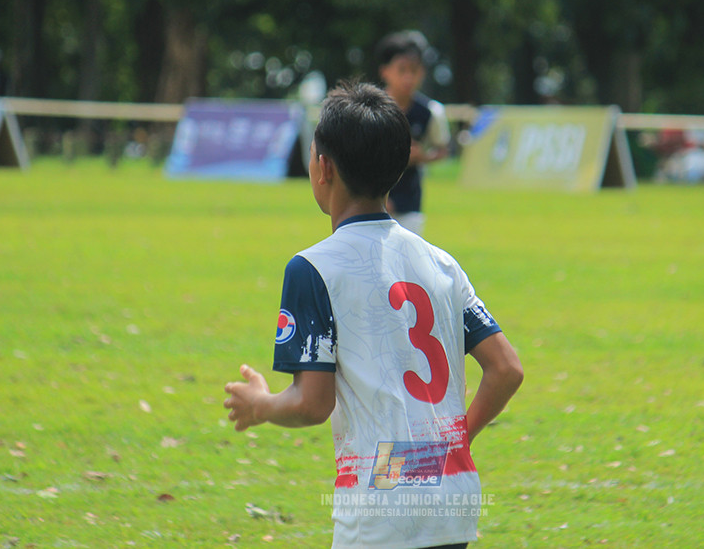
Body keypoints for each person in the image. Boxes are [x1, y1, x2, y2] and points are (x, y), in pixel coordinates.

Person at [223, 81, 523, 549]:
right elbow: (506, 369)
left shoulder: (313, 268)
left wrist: (260, 405)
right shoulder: (441, 262)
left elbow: (311, 404)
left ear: (323, 167)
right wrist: (453, 444)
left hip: (380, 508)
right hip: (454, 500)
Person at [376, 30, 451, 235]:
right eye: (402, 70)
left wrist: (422, 157)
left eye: (414, 70)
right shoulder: (369, 109)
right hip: (371, 201)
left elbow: (443, 149)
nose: (408, 77)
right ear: (385, 71)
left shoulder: (429, 112)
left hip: (409, 202)